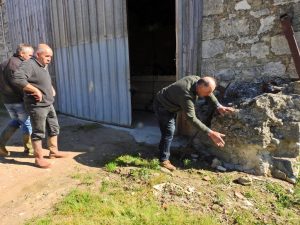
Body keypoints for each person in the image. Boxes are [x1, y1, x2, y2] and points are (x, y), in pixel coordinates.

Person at [153, 75, 234, 171]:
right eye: (207, 92)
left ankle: (162, 150)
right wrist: (211, 133)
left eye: (210, 91)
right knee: (168, 132)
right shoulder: (185, 94)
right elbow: (191, 118)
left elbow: (209, 94)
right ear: (199, 87)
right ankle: (163, 160)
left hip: (172, 102)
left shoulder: (197, 80)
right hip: (162, 105)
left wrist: (218, 106)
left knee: (169, 130)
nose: (209, 94)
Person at [11, 43, 67, 168]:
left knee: (54, 127)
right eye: (47, 56)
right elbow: (17, 78)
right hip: (37, 105)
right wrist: (35, 90)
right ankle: (38, 158)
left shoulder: (43, 65)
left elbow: (43, 79)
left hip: (48, 103)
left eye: (51, 56)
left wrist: (51, 87)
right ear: (38, 54)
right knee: (38, 132)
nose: (49, 58)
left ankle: (53, 152)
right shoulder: (29, 64)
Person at [0, 43, 34, 157]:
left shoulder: (4, 63)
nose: (31, 57)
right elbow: (20, 83)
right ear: (21, 53)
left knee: (17, 121)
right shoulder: (19, 64)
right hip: (18, 100)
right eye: (30, 55)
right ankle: (29, 149)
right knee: (26, 123)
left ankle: (0, 144)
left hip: (7, 100)